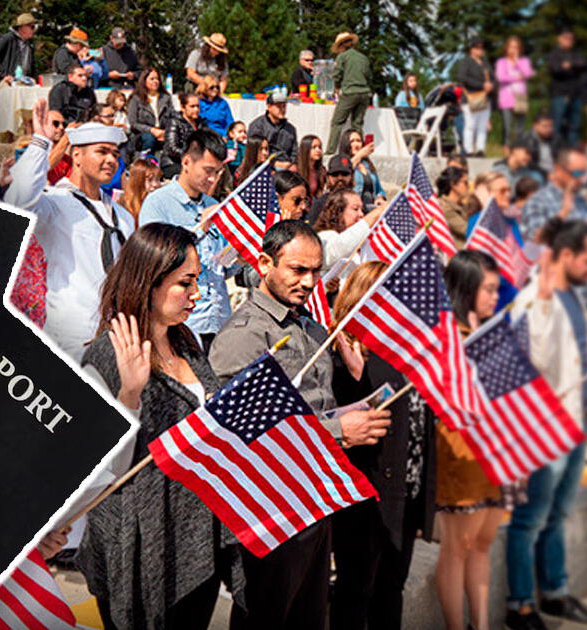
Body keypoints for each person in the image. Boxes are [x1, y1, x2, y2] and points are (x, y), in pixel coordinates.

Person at [209, 220, 391, 630]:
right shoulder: (245, 336)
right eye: (296, 270)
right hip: (272, 508)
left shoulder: (308, 326)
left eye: (316, 270)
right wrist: (341, 431)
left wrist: (349, 413)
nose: (309, 281)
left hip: (314, 500)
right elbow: (247, 429)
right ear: (263, 264)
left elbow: (311, 408)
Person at [76, 223, 244, 630]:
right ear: (148, 281)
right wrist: (130, 395)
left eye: (198, 279)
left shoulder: (187, 342)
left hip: (196, 538)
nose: (197, 293)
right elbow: (97, 469)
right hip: (137, 548)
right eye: (184, 282)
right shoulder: (104, 355)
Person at [505, 218, 587, 630]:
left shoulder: (576, 297)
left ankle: (556, 591)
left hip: (576, 424)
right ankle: (520, 603)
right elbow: (530, 363)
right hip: (544, 430)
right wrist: (543, 305)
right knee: (530, 518)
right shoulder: (534, 300)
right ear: (566, 256)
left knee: (558, 514)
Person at [328, 260, 434, 630]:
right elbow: (344, 424)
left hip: (406, 495)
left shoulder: (411, 353)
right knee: (357, 591)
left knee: (392, 588)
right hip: (367, 498)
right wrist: (357, 376)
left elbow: (423, 428)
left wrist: (424, 504)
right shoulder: (345, 354)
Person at [3, 98, 133, 359]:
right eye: (102, 152)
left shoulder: (123, 216)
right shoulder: (55, 202)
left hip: (117, 337)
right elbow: (17, 200)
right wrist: (41, 143)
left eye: (115, 154)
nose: (111, 160)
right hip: (72, 336)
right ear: (77, 155)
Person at [435, 250, 519, 630]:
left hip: (495, 450)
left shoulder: (494, 330)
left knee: (483, 543)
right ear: (467, 288)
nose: (493, 296)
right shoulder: (448, 336)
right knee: (458, 547)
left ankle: (481, 623)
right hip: (459, 452)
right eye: (487, 289)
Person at [137, 129, 232, 345]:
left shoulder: (212, 205)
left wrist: (237, 256)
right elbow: (154, 259)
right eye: (208, 170)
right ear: (187, 162)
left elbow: (222, 268)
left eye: (218, 172)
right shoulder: (158, 202)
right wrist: (199, 229)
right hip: (182, 324)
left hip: (217, 320)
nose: (212, 179)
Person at [520, 147, 587, 242]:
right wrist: (563, 213)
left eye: (585, 174)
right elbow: (536, 240)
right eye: (577, 173)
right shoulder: (537, 202)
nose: (582, 179)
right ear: (558, 170)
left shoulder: (582, 201)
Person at [313, 188, 382, 269]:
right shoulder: (324, 237)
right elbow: (339, 248)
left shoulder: (362, 242)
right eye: (355, 209)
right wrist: (377, 213)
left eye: (362, 209)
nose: (361, 214)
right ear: (338, 212)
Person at [327, 31, 372, 155]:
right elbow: (369, 77)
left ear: (341, 45)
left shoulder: (342, 57)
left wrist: (336, 88)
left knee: (337, 122)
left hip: (349, 93)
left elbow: (336, 76)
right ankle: (360, 152)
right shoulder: (363, 58)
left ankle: (330, 152)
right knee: (357, 124)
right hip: (364, 93)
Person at [547, 28, 586, 149]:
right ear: (559, 39)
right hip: (560, 94)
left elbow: (583, 65)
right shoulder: (554, 54)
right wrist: (571, 67)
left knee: (574, 126)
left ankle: (572, 151)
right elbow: (555, 69)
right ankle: (555, 151)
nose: (568, 40)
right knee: (557, 124)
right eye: (566, 38)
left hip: (575, 94)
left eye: (571, 38)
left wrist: (569, 66)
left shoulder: (576, 54)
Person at [495, 36, 534, 155]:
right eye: (511, 47)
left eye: (516, 47)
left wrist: (518, 63)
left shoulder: (524, 61)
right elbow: (500, 77)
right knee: (507, 126)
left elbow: (528, 73)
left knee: (520, 126)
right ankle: (506, 146)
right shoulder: (501, 62)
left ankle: (517, 148)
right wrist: (516, 77)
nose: (513, 50)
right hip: (506, 96)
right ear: (506, 48)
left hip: (520, 96)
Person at [456, 38, 493, 157]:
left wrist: (491, 85)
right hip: (470, 97)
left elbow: (493, 78)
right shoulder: (465, 62)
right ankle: (469, 149)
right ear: (471, 49)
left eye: (482, 48)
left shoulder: (486, 63)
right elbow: (462, 78)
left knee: (482, 125)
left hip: (485, 98)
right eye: (477, 47)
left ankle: (480, 149)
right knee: (470, 125)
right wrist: (481, 85)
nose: (480, 50)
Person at [127, 67, 173, 157]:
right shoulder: (136, 98)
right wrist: (152, 130)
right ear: (144, 81)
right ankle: (144, 161)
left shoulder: (166, 98)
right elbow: (133, 123)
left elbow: (172, 117)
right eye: (152, 79)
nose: (155, 81)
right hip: (142, 135)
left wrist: (165, 132)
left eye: (157, 79)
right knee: (149, 138)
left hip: (162, 132)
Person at [160, 92, 207, 178]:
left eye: (197, 106)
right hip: (173, 163)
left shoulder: (201, 123)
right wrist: (191, 156)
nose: (196, 109)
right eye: (192, 106)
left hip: (195, 162)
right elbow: (171, 148)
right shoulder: (174, 122)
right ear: (182, 107)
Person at [248, 91, 298, 170]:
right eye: (278, 106)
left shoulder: (290, 129)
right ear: (269, 107)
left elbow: (294, 152)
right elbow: (254, 152)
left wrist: (291, 164)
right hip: (264, 167)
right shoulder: (258, 126)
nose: (282, 109)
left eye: (284, 106)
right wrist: (273, 163)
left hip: (287, 167)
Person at [0, 13, 37, 87]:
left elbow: (32, 67)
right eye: (32, 27)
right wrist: (3, 75)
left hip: (24, 80)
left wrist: (34, 78)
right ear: (22, 27)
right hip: (7, 80)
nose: (34, 30)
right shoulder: (8, 38)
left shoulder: (30, 45)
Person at [339, 129, 385, 209]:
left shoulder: (367, 164)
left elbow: (379, 189)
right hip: (352, 208)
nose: (356, 144)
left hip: (370, 208)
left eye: (358, 141)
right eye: (352, 141)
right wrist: (359, 155)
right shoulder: (342, 161)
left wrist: (380, 197)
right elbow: (344, 171)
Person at [306, 153, 354, 225]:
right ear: (328, 177)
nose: (340, 178)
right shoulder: (320, 204)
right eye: (335, 174)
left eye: (344, 174)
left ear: (352, 176)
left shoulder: (358, 203)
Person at [438, 166, 473, 250]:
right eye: (465, 183)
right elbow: (468, 230)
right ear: (453, 185)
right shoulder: (446, 208)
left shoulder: (461, 205)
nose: (468, 186)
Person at [120, 157, 162, 225]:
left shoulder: (160, 203)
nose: (156, 184)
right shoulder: (125, 206)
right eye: (150, 180)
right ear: (137, 181)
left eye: (158, 179)